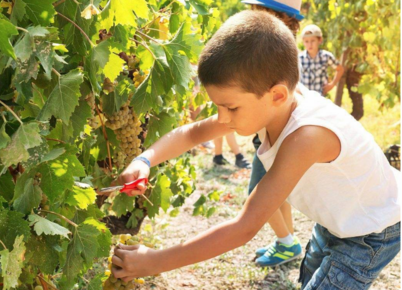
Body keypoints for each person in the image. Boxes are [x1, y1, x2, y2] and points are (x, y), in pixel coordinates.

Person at [112, 11, 400, 290]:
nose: (222, 118)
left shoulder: (307, 137)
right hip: (338, 221)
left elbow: (244, 228)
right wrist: (144, 159)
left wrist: (154, 261)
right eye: (217, 106)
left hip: (371, 232)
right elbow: (194, 132)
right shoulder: (270, 105)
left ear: (277, 95)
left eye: (230, 107)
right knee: (310, 278)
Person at [242, 0, 304, 267]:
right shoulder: (284, 47)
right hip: (276, 132)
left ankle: (287, 242)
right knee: (279, 195)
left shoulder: (271, 49)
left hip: (273, 135)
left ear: (276, 16)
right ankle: (285, 241)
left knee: (256, 194)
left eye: (259, 10)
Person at [299, 24, 344, 96]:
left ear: (320, 40)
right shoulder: (300, 58)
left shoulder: (326, 56)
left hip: (320, 97)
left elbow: (340, 69)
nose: (309, 44)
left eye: (313, 41)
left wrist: (332, 84)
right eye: (306, 41)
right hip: (304, 98)